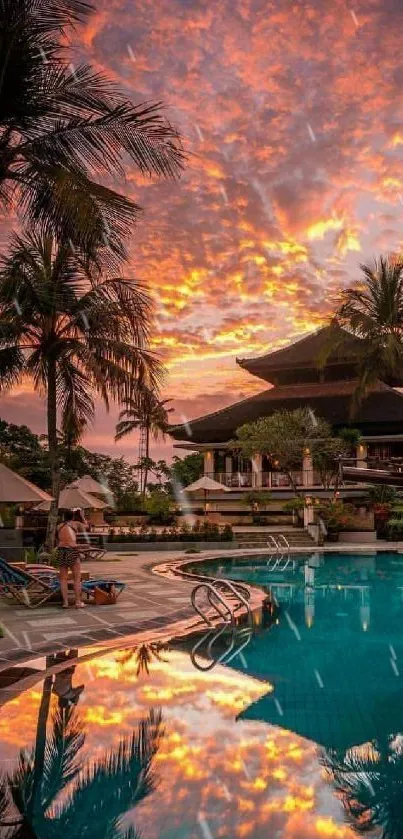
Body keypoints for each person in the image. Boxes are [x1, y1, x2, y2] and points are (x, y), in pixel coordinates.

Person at [55, 510, 85, 609]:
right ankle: (78, 602)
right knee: (77, 578)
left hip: (62, 551)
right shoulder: (76, 524)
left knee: (63, 579)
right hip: (72, 550)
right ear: (73, 517)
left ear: (63, 516)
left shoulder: (59, 526)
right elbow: (86, 527)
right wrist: (82, 516)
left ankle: (65, 603)